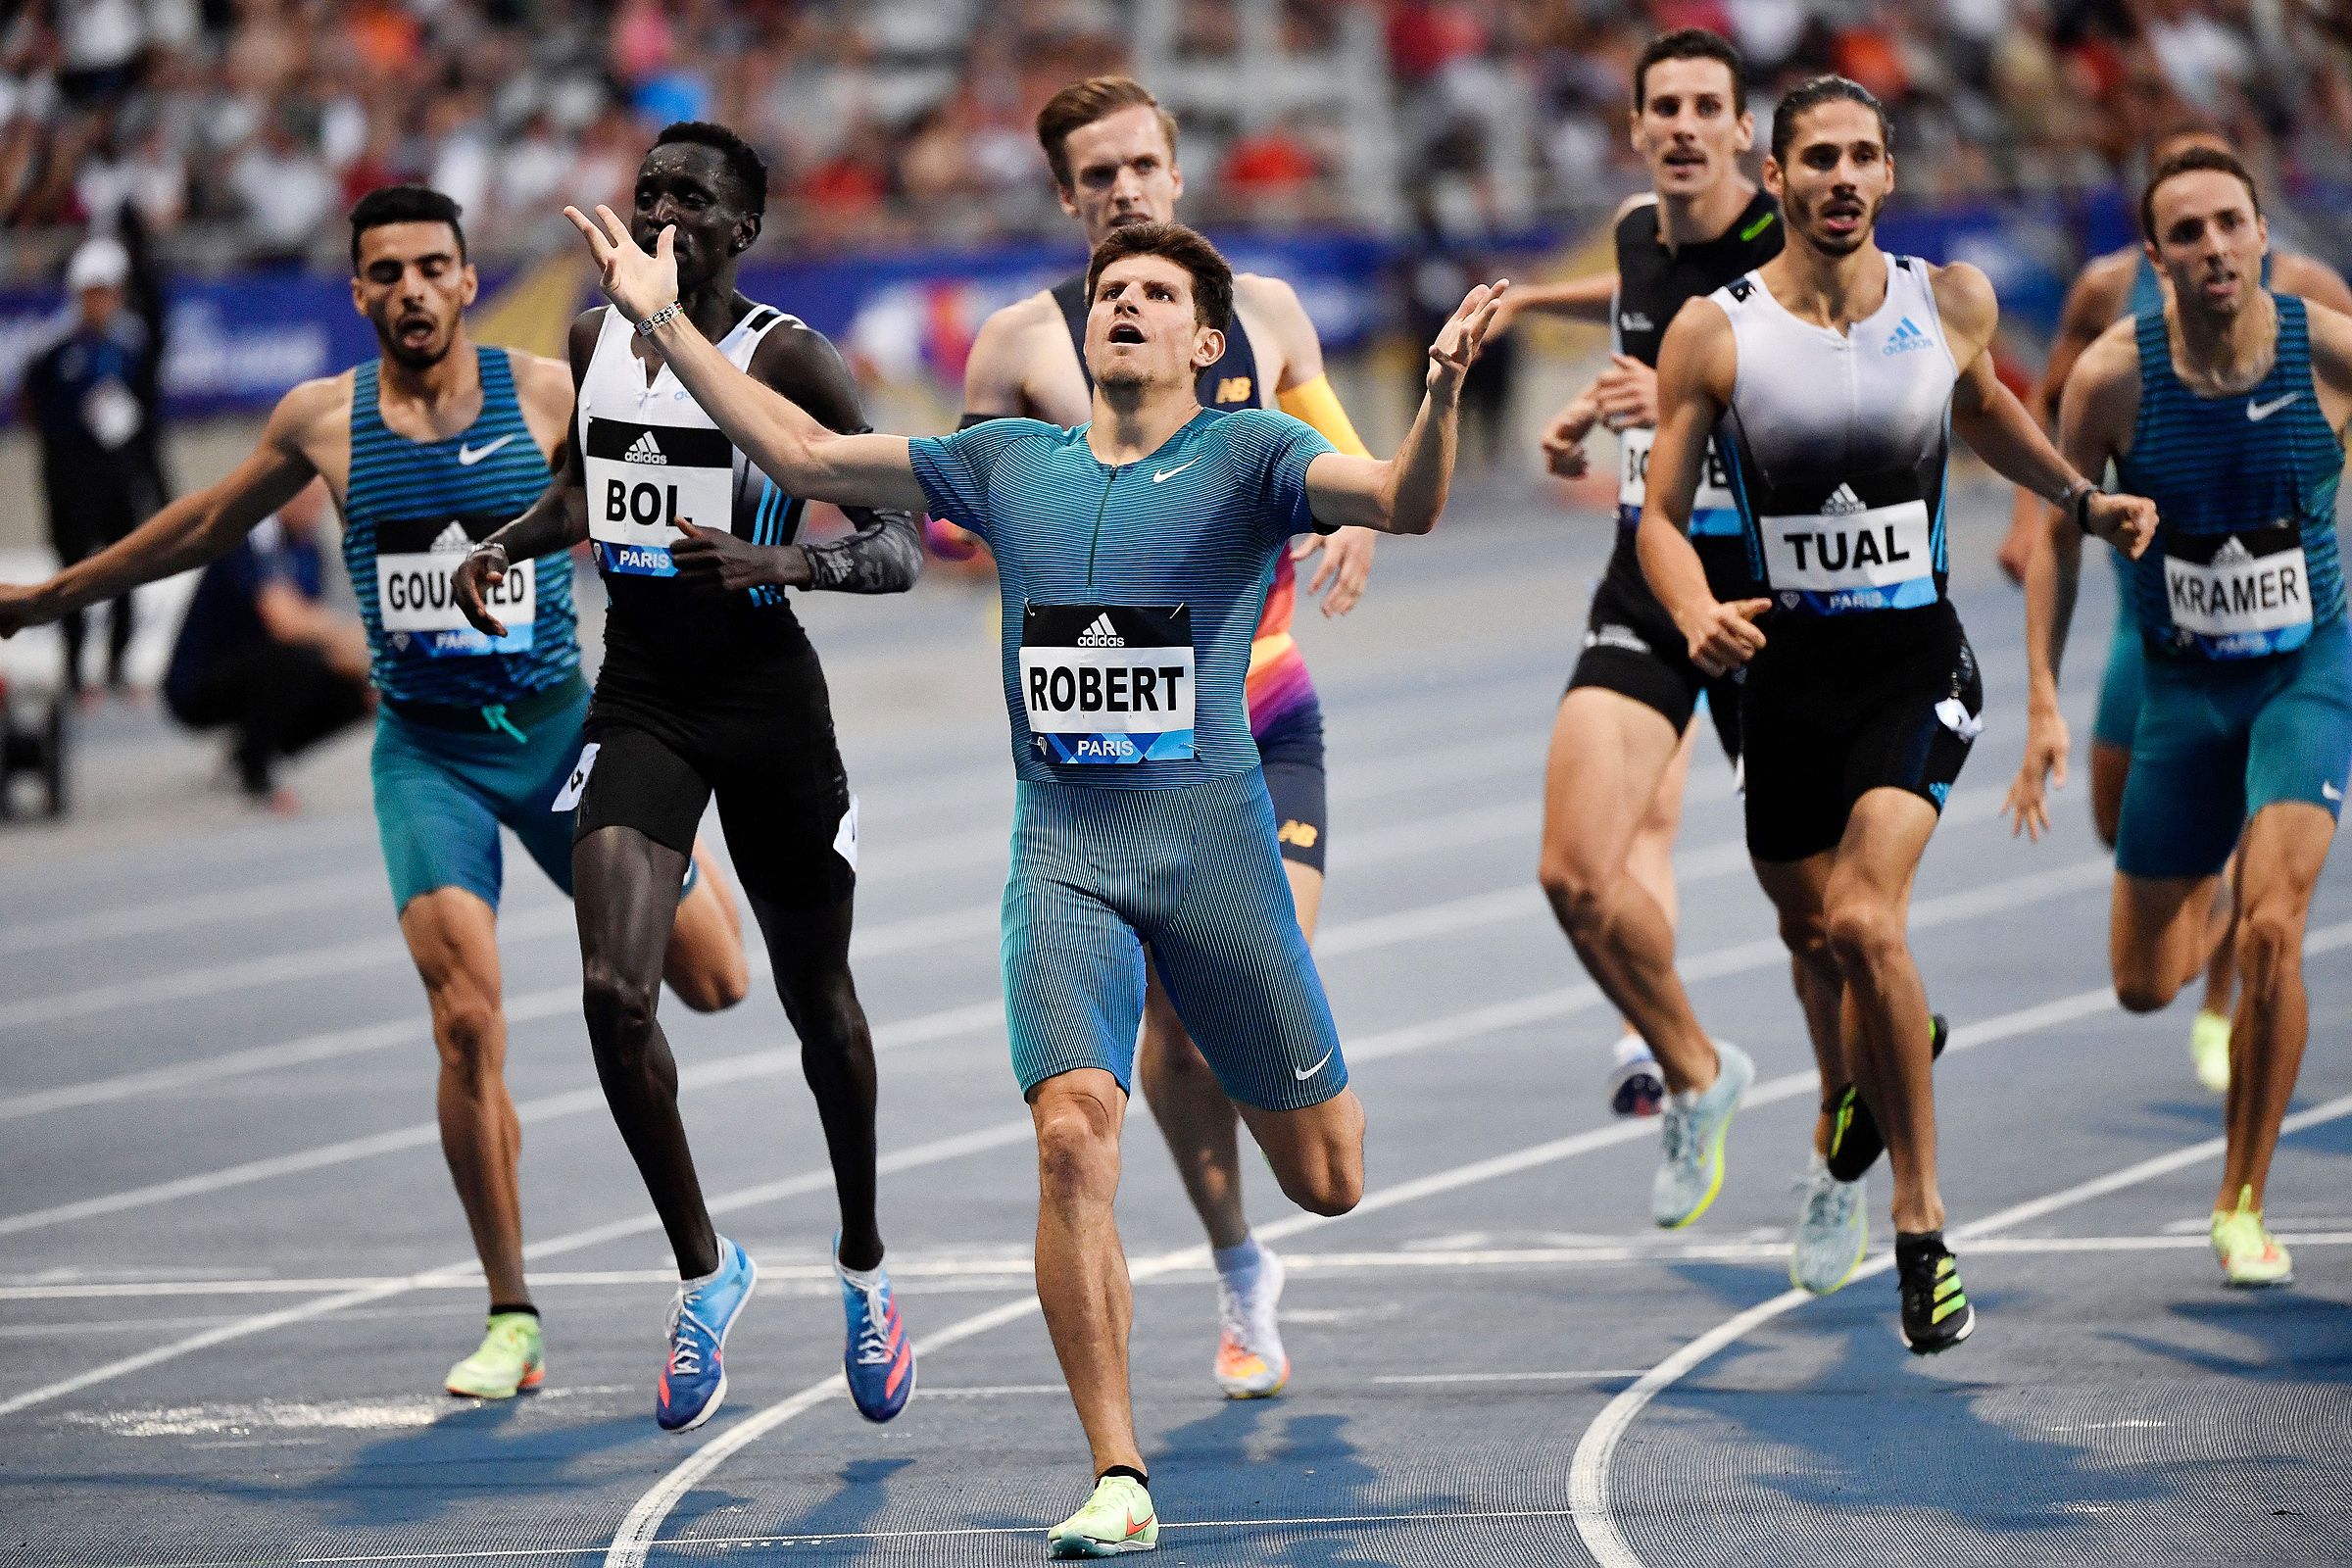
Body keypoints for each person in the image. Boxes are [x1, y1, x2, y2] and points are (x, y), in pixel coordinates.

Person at [564, 199, 1498, 1554]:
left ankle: (1264, 1176)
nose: (1121, 304)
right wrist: (656, 315)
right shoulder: (1007, 461)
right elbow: (804, 446)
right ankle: (1118, 1473)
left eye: (1153, 296)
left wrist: (1441, 388)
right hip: (1064, 855)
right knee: (1071, 1134)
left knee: (1330, 1178)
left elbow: (1406, 501)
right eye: (1106, 290)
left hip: (1217, 853)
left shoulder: (1254, 453)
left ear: (1204, 340)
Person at [0, 185, 750, 1402]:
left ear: (465, 281)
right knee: (465, 1018)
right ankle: (513, 1313)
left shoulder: (551, 391)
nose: (410, 288)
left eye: (431, 267)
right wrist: (44, 601)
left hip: (563, 732)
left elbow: (687, 471)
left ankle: (679, 865)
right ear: (357, 292)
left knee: (717, 983)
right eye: (385, 270)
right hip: (429, 752)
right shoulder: (322, 423)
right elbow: (195, 526)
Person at [1638, 76, 2155, 1353]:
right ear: (1779, 179)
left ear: (1889, 175)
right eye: (1820, 157)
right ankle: (1897, 1033)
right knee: (1815, 933)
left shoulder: (1950, 302)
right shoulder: (1717, 331)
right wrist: (1698, 608)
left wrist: (2081, 503)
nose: (1844, 177)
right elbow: (1655, 517)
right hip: (1787, 676)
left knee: (1867, 918)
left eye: (1866, 155)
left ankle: (1921, 1229)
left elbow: (1987, 414)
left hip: (1916, 663)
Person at [453, 122, 925, 1435]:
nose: (659, 208)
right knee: (613, 989)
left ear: (741, 233)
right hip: (644, 694)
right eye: (647, 187)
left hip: (768, 698)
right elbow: (585, 490)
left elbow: (904, 537)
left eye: (692, 197)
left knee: (816, 998)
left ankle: (866, 1267)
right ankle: (706, 1271)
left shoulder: (787, 357)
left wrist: (788, 565)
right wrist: (509, 540)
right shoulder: (596, 339)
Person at [958, 73, 1381, 1402]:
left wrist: (1355, 512)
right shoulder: (1021, 347)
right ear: (1067, 196)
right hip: (1103, 759)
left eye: (1144, 164)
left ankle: (1281, 1190)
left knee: (1217, 1017)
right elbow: (972, 524)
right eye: (1099, 176)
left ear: (1178, 171)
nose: (1126, 190)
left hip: (1259, 714)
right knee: (1160, 1052)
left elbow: (1333, 444)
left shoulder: (1263, 313)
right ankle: (1239, 1263)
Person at [2005, 146, 2352, 1289]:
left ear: (2264, 236)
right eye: (2186, 232)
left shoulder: (2329, 349)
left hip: (2309, 672)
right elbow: (2055, 529)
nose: (2212, 247)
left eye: (2229, 225)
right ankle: (2214, 885)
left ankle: (2242, 1201)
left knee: (2273, 930)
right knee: (2145, 982)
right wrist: (2046, 698)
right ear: (2152, 256)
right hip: (2181, 688)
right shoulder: (2111, 377)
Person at [20, 234, 169, 704]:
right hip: (70, 477)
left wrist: (149, 474)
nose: (100, 302)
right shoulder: (51, 347)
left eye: (108, 292)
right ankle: (75, 669)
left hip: (119, 475)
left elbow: (147, 414)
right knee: (74, 571)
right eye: (92, 292)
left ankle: (120, 665)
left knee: (126, 566)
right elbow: (32, 411)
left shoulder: (132, 343)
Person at [161, 478, 371, 808]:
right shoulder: (255, 535)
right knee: (298, 661)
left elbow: (318, 631)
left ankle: (251, 751)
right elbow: (286, 621)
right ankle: (252, 770)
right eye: (306, 497)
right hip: (200, 683)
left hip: (263, 673)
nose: (314, 509)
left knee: (366, 687)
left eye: (321, 500)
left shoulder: (309, 548)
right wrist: (355, 636)